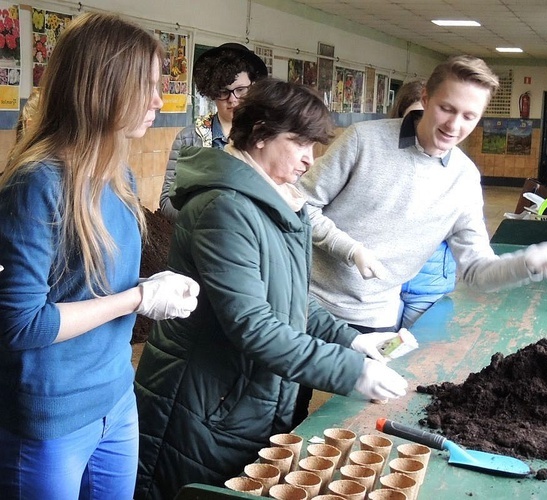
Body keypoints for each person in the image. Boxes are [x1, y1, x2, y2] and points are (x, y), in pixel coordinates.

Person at [134, 78, 408, 500]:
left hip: (245, 398)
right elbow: (253, 325)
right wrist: (352, 372)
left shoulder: (279, 201)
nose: (308, 159)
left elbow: (292, 303)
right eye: (300, 143)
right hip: (204, 402)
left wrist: (354, 341)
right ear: (260, 134)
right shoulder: (224, 208)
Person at [0, 12, 199, 500]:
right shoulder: (37, 184)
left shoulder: (120, 177)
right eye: (146, 86)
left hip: (115, 398)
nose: (158, 100)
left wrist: (159, 285)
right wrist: (137, 299)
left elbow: (101, 286)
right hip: (51, 420)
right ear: (102, 87)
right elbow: (20, 324)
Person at [298, 55, 547, 332]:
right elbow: (298, 203)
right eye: (447, 108)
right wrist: (350, 249)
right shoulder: (363, 140)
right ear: (425, 97)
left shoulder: (464, 178)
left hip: (375, 316)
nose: (454, 126)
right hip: (305, 300)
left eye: (469, 116)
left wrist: (526, 264)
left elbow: (476, 272)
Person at [159, 42, 268, 220]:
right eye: (223, 92)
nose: (232, 100)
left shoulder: (266, 138)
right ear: (211, 93)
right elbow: (166, 202)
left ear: (253, 87)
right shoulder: (188, 138)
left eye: (240, 90)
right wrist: (209, 217)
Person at [390, 80, 458, 329]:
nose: (422, 129)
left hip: (428, 288)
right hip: (381, 287)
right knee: (380, 353)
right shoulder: (377, 158)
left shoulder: (457, 171)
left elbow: (469, 237)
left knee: (416, 354)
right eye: (414, 119)